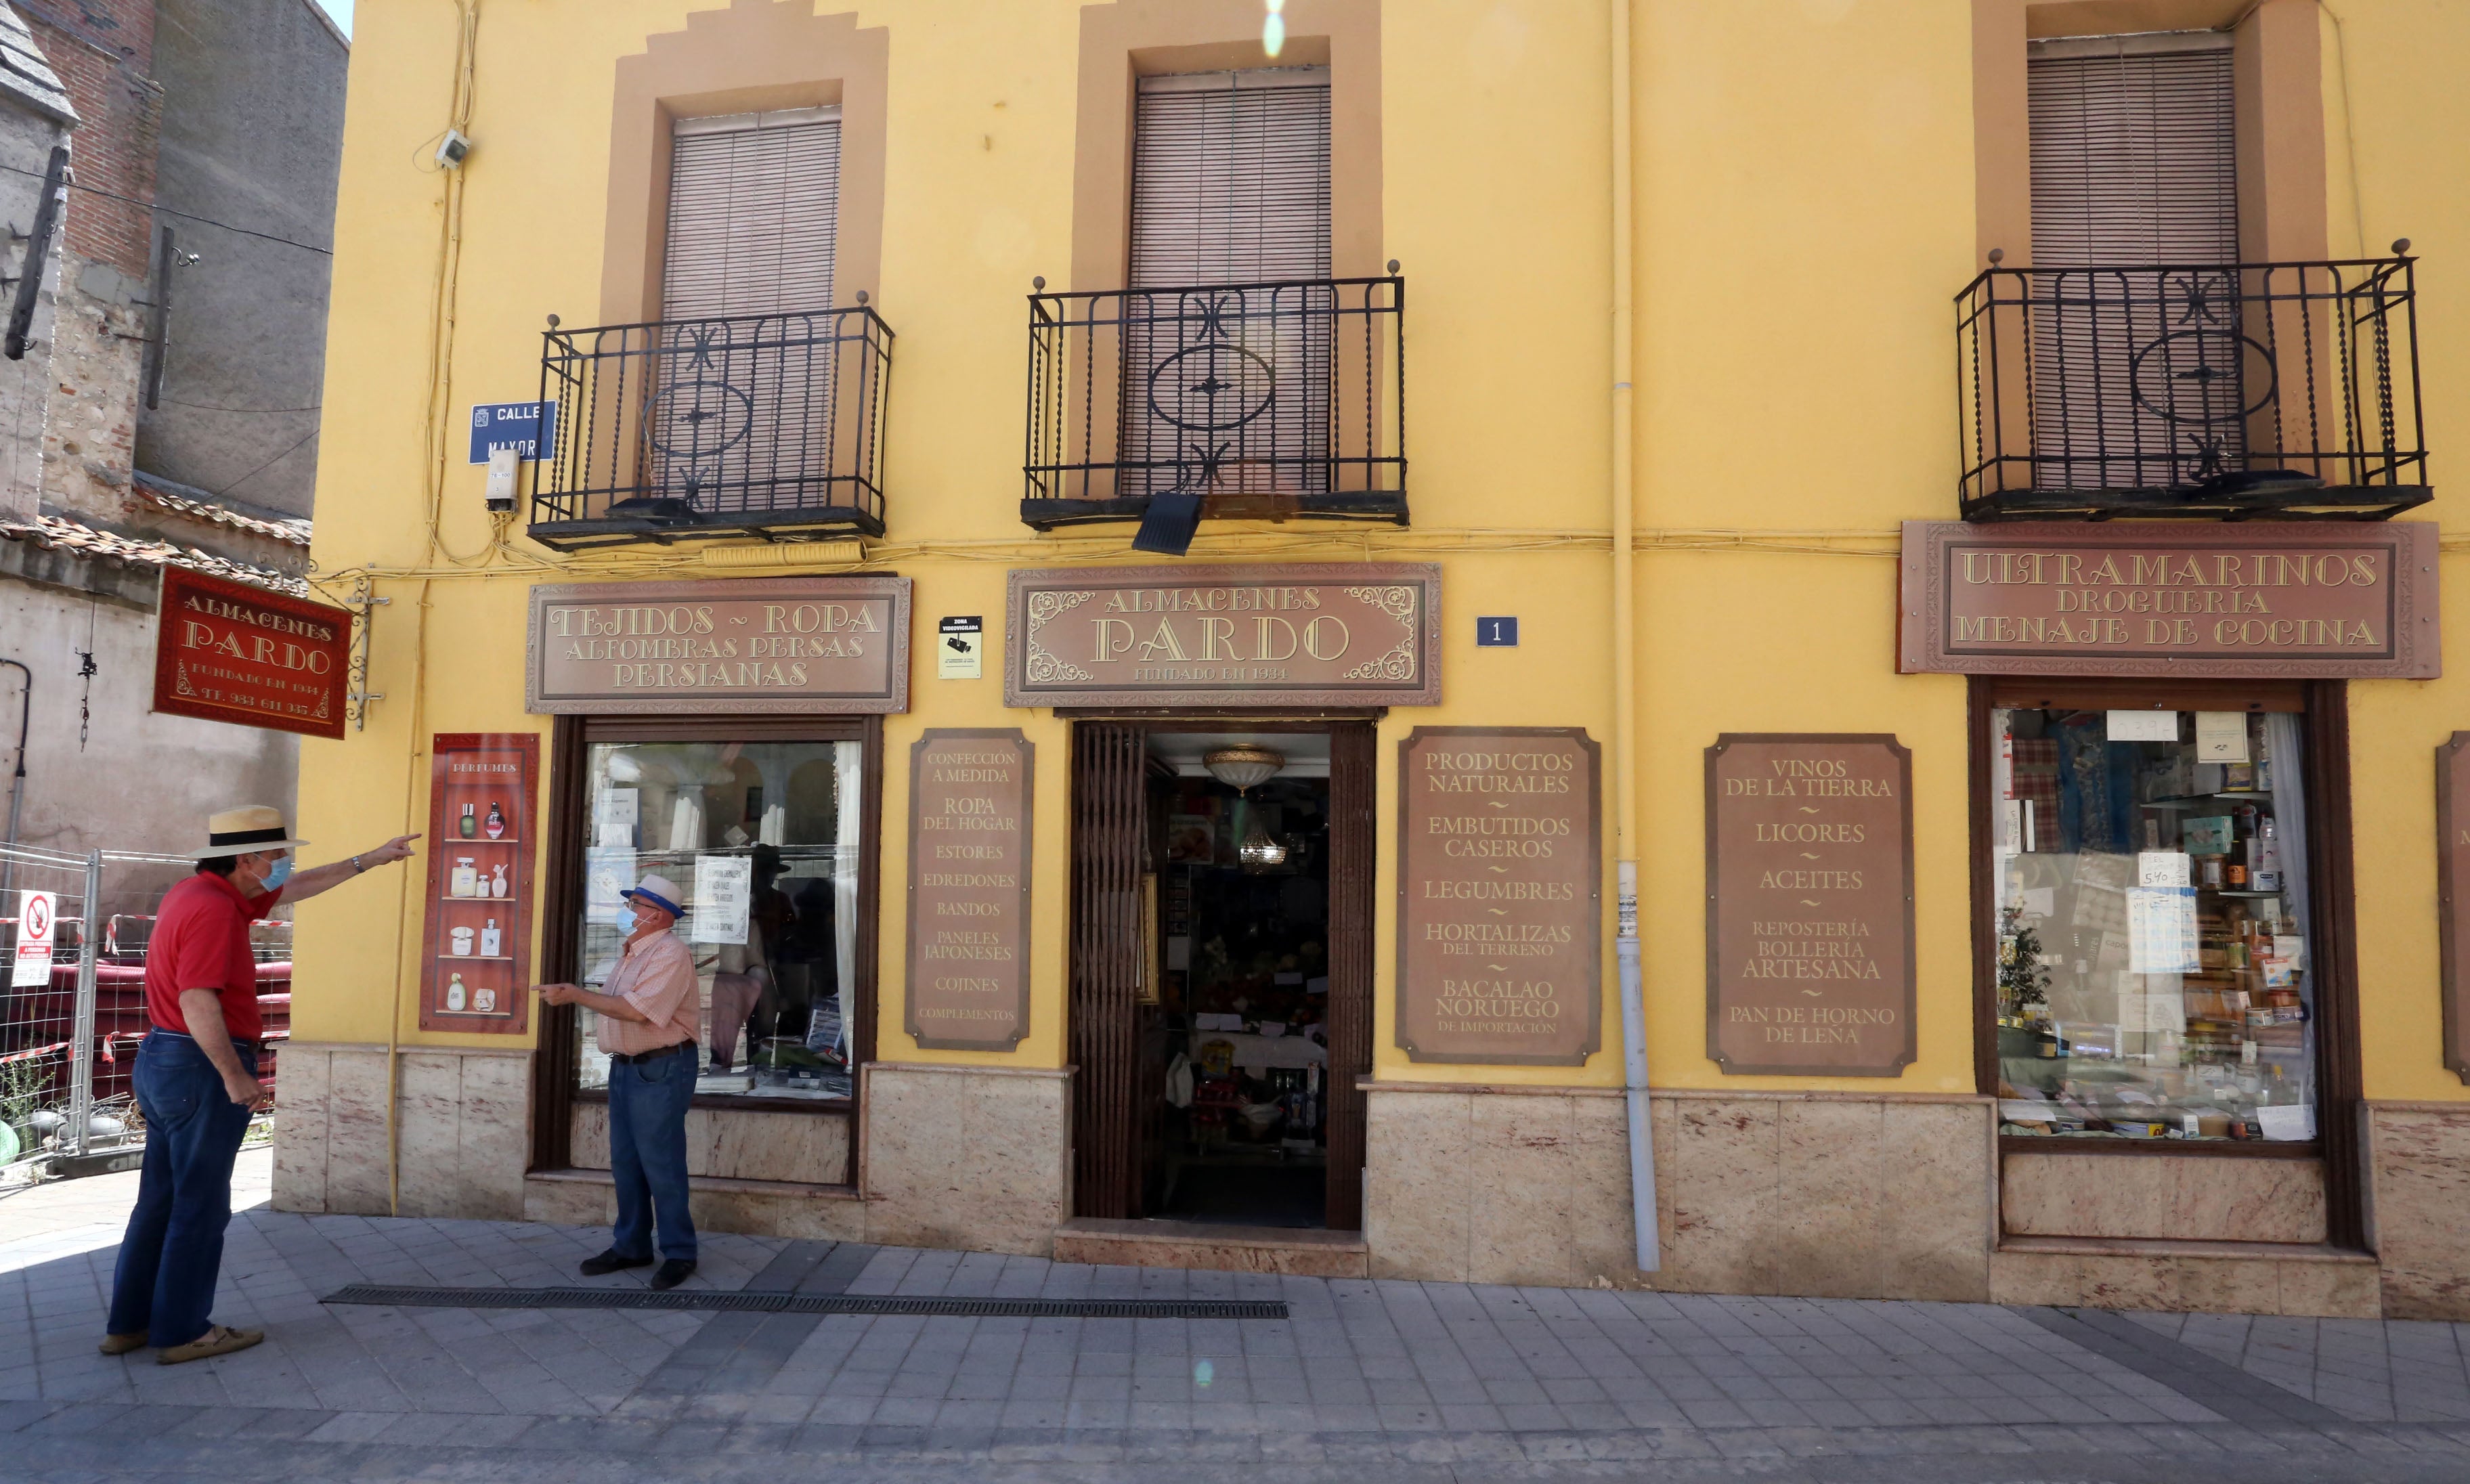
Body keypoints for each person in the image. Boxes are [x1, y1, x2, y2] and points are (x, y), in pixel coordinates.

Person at [104, 806, 418, 1364]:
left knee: (160, 1200)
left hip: (163, 1059)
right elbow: (198, 999)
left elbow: (297, 887)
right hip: (196, 1066)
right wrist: (234, 1075)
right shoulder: (215, 913)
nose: (283, 864)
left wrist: (369, 859)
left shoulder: (199, 892)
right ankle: (183, 1332)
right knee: (199, 1206)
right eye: (275, 855)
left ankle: (131, 1324)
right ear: (246, 860)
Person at [534, 874, 700, 1290]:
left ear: (657, 915)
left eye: (637, 906)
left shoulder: (671, 953)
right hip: (628, 1066)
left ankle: (679, 1252)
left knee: (661, 1163)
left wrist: (574, 995)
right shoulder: (633, 953)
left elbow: (636, 1011)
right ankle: (632, 1245)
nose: (631, 912)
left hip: (661, 1067)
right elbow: (621, 1008)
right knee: (626, 1162)